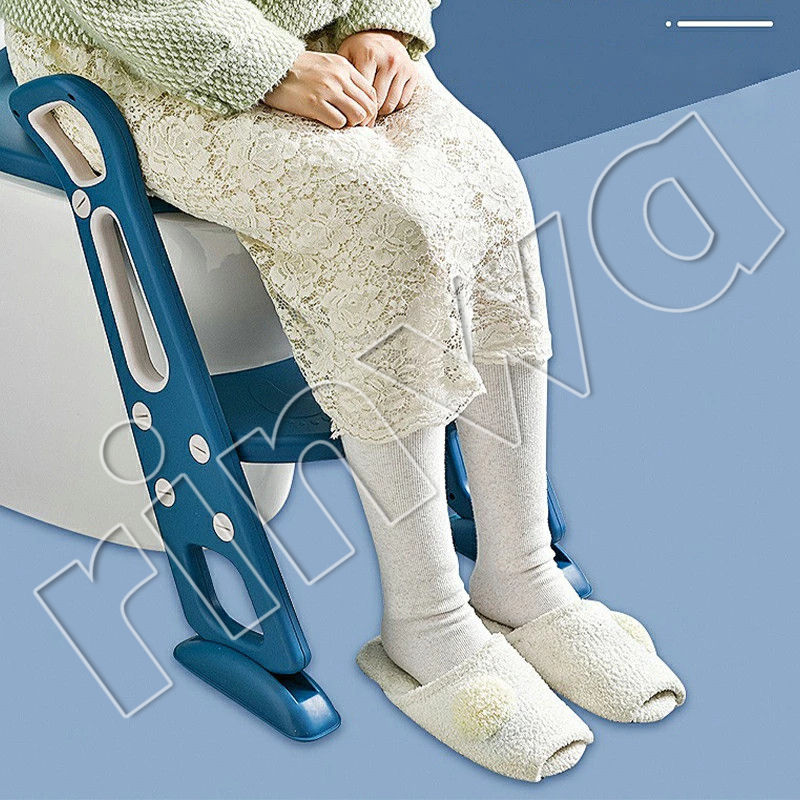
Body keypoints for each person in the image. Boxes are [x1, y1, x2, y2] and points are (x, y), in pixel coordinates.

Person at [1, 0, 684, 781]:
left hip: (319, 34)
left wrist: (382, 23)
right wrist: (268, 68)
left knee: (491, 190)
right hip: (131, 57)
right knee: (382, 224)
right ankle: (426, 620)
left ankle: (521, 571)